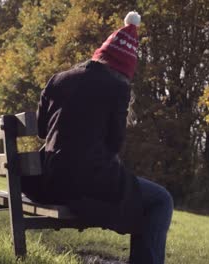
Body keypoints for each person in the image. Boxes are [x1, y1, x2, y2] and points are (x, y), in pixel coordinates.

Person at [22, 11, 173, 264]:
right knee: (161, 200)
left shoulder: (58, 79)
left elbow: (41, 130)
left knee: (141, 194)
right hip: (84, 185)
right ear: (125, 69)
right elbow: (114, 144)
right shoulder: (118, 88)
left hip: (46, 182)